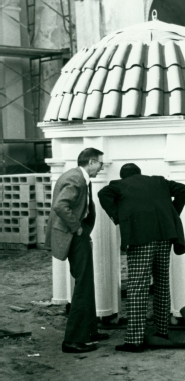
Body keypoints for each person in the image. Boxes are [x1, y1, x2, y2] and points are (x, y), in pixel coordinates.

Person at [98, 163, 185, 353]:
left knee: (138, 287)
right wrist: (172, 213)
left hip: (141, 238)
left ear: (124, 176)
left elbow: (102, 195)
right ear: (140, 173)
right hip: (165, 236)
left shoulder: (119, 185)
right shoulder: (158, 181)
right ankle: (162, 332)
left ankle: (134, 340)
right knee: (162, 283)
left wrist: (120, 217)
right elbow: (184, 190)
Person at [45, 148, 109, 353]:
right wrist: (77, 228)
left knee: (86, 282)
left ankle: (88, 332)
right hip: (74, 235)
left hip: (77, 235)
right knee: (83, 284)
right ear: (91, 162)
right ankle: (73, 340)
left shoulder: (77, 176)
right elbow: (61, 206)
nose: (101, 167)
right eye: (100, 163)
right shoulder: (76, 179)